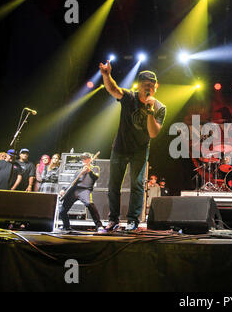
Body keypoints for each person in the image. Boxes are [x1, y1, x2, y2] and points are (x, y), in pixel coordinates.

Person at [100, 60, 166, 231]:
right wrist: (107, 75)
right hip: (120, 147)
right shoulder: (130, 97)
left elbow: (153, 133)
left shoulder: (159, 107)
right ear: (139, 85)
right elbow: (113, 89)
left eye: (151, 85)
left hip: (139, 150)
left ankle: (132, 220)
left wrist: (150, 110)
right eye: (145, 84)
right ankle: (113, 219)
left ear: (156, 87)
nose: (148, 88)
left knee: (137, 185)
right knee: (113, 185)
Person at [59, 153, 104, 233]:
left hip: (85, 190)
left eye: (85, 158)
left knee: (89, 203)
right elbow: (72, 182)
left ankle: (99, 226)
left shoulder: (95, 168)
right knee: (62, 211)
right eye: (83, 159)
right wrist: (63, 189)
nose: (84, 160)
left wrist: (89, 171)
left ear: (90, 159)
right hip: (74, 190)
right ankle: (66, 226)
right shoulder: (79, 170)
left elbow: (96, 177)